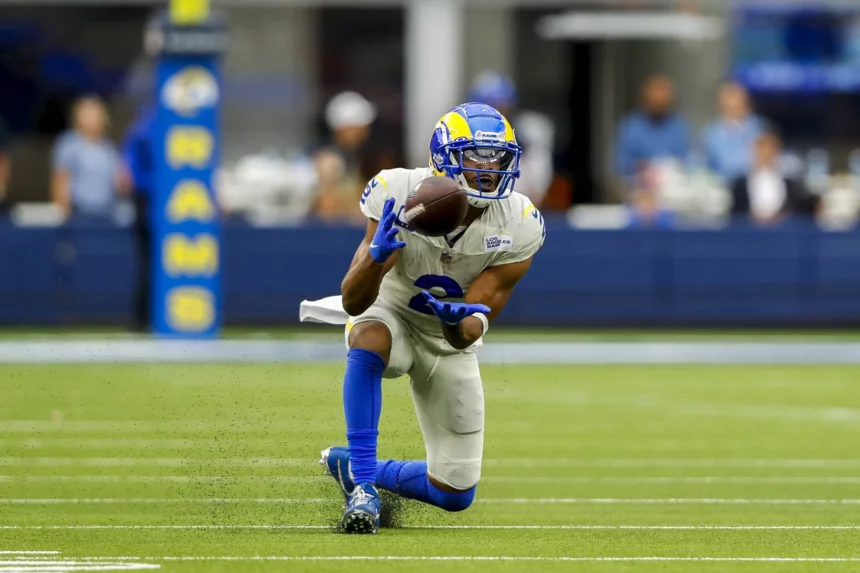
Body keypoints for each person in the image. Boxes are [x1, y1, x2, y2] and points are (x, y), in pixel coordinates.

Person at [299, 103, 546, 533]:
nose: (489, 168)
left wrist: (454, 320)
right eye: (475, 156)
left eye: (496, 157)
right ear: (444, 158)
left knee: (454, 492)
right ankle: (364, 488)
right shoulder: (397, 190)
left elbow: (468, 332)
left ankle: (364, 470)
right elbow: (355, 301)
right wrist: (376, 259)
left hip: (445, 340)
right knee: (370, 337)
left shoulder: (520, 223)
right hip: (389, 309)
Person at [51, 96, 128, 222]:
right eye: (88, 114)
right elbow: (60, 181)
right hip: (79, 213)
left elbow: (119, 183)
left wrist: (124, 182)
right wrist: (63, 214)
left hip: (106, 213)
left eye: (97, 114)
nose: (94, 119)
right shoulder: (68, 145)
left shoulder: (109, 149)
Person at [313, 91, 377, 224]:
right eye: (360, 126)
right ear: (344, 128)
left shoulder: (350, 158)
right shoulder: (329, 161)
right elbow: (327, 211)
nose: (366, 131)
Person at [614, 75, 690, 183]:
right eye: (656, 94)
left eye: (664, 95)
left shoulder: (678, 126)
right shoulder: (630, 127)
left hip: (672, 192)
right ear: (645, 97)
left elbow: (686, 164)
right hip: (638, 192)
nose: (660, 99)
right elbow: (621, 170)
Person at [730, 131, 817, 225]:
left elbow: (800, 212)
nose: (766, 155)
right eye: (762, 150)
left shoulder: (790, 185)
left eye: (771, 150)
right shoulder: (740, 185)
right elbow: (735, 215)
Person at [122, 104, 157, 332]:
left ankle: (160, 317)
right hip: (149, 202)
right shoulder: (145, 129)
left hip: (174, 205)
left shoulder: (188, 129)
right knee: (149, 263)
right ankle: (143, 319)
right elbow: (129, 174)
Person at [702, 81, 765, 184]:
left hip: (754, 185)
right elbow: (705, 166)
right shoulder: (711, 132)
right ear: (719, 102)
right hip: (721, 187)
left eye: (736, 95)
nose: (732, 101)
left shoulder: (760, 128)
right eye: (728, 96)